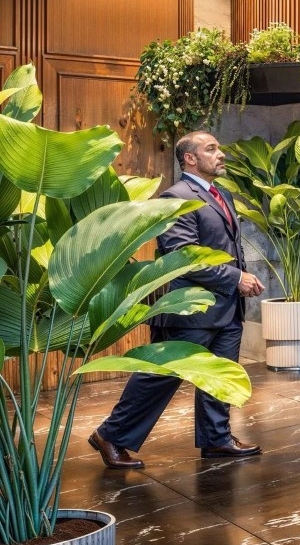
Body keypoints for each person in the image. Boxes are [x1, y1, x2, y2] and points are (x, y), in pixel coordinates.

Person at [89, 131, 265, 469]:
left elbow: (228, 247)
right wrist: (235, 277)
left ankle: (217, 439)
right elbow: (184, 256)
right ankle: (110, 435)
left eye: (219, 148)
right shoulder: (176, 197)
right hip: (190, 308)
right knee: (160, 376)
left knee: (219, 376)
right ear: (190, 158)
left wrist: (239, 278)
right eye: (211, 149)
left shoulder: (223, 194)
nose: (221, 154)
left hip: (228, 307)